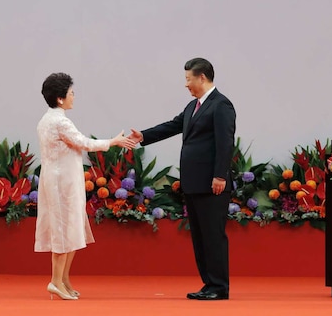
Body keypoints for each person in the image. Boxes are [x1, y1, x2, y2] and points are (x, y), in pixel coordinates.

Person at [128, 58, 236, 300]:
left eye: (188, 79)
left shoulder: (221, 105)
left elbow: (225, 143)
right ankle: (209, 285)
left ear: (202, 78)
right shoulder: (193, 107)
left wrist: (220, 175)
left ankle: (219, 287)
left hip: (212, 184)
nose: (186, 84)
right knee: (200, 237)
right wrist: (143, 136)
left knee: (212, 236)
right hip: (194, 183)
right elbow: (172, 126)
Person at [34, 72, 136, 300]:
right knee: (63, 231)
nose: (74, 96)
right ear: (60, 98)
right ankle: (55, 282)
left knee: (69, 229)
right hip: (61, 183)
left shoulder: (48, 119)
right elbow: (84, 143)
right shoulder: (59, 121)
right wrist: (113, 141)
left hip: (63, 181)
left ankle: (64, 281)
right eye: (71, 93)